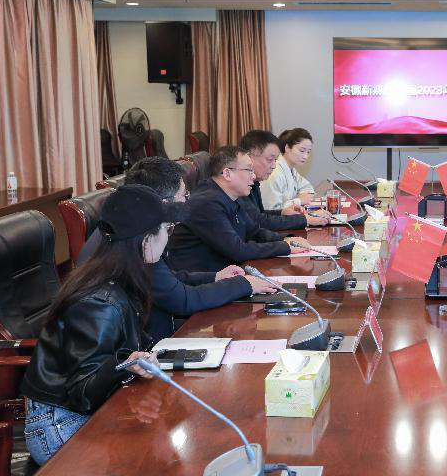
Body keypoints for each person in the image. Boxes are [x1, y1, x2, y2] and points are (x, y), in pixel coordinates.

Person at [20, 185, 182, 464]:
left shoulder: (117, 276)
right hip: (59, 423)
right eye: (167, 229)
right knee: (153, 458)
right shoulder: (100, 302)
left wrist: (136, 359)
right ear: (145, 240)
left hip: (86, 408)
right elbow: (83, 392)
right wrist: (124, 363)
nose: (169, 237)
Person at [77, 157, 281, 343]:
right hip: (148, 346)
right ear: (165, 203)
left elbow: (168, 278)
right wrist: (243, 284)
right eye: (184, 195)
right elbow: (183, 300)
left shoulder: (133, 226)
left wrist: (215, 277)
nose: (187, 201)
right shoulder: (134, 242)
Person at [166, 146, 311, 273]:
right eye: (249, 170)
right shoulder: (207, 203)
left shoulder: (229, 196)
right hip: (201, 281)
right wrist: (284, 246)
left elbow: (254, 231)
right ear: (227, 174)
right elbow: (238, 250)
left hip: (226, 273)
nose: (253, 176)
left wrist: (287, 239)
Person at [239, 129, 330, 229]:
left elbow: (260, 215)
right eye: (270, 159)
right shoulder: (240, 186)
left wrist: (282, 212)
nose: (274, 166)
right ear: (248, 157)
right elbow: (260, 221)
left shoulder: (254, 183)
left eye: (308, 152)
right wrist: (304, 218)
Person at [261, 128, 316, 210]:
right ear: (287, 148)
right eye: (302, 150)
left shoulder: (291, 169)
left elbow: (308, 188)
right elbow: (272, 210)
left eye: (308, 152)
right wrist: (299, 200)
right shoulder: (274, 173)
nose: (305, 156)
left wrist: (301, 198)